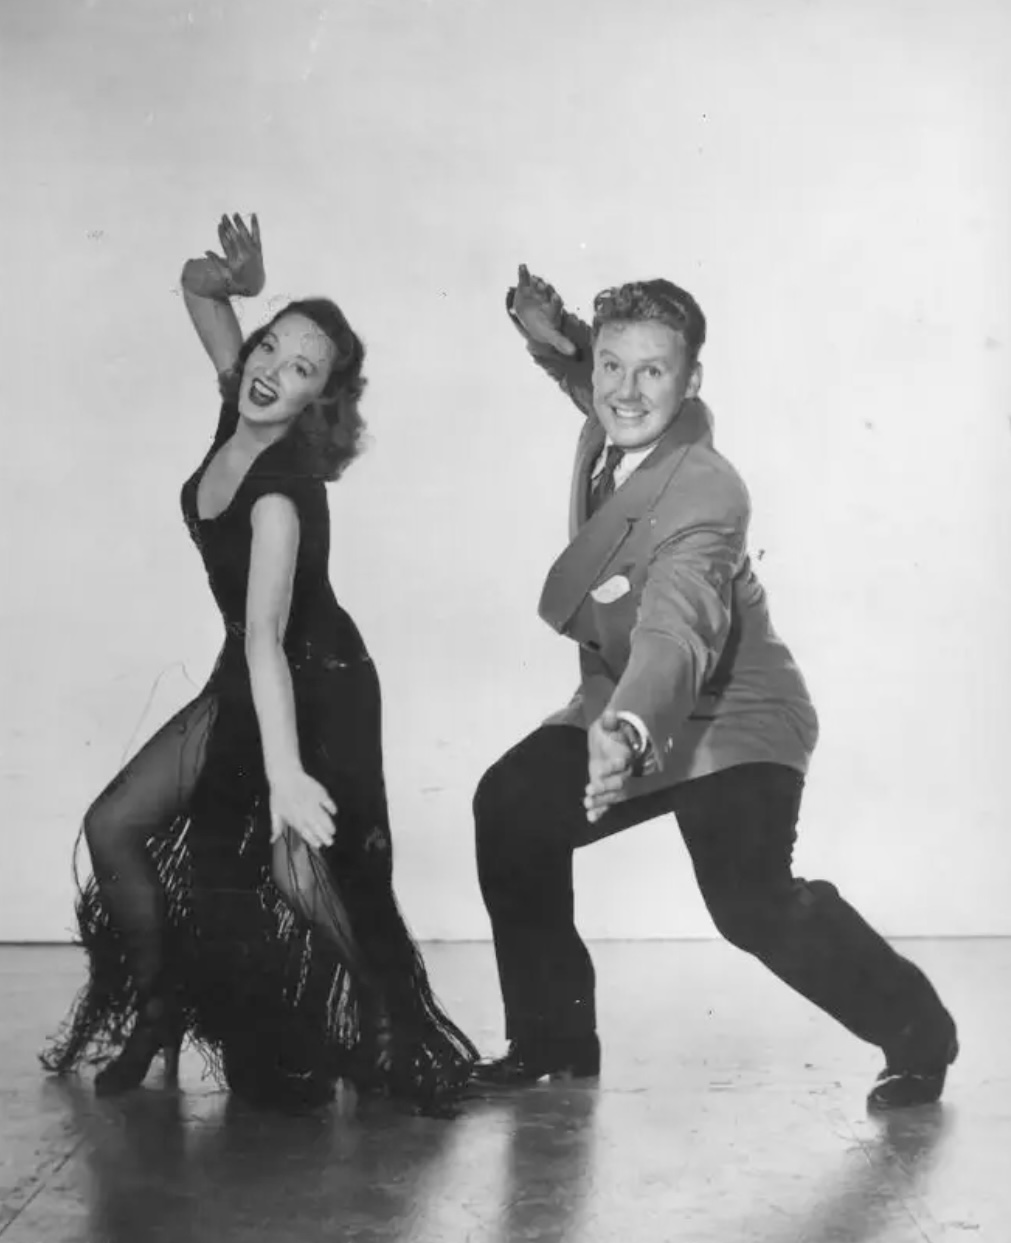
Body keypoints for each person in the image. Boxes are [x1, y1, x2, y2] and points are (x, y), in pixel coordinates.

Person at [471, 265, 958, 1111]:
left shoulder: (706, 491)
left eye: (651, 372)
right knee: (511, 806)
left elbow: (676, 628)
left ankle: (919, 1031)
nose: (623, 390)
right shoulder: (612, 413)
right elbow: (594, 375)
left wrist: (625, 727)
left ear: (691, 382)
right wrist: (551, 341)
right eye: (609, 367)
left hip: (730, 712)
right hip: (633, 697)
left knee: (750, 907)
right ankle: (552, 1039)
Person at [41, 214, 477, 1114]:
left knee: (301, 870)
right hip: (252, 670)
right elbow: (196, 287)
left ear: (319, 401)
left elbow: (265, 637)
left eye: (300, 369)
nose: (271, 370)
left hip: (319, 680)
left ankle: (394, 1027)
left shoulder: (282, 491)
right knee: (114, 823)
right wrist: (236, 280)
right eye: (269, 347)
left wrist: (284, 776)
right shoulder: (237, 403)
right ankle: (159, 1010)